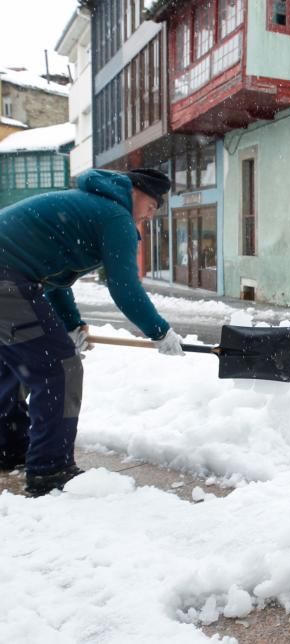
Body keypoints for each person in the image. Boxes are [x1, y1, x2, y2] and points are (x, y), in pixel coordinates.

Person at [0, 168, 185, 496]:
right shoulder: (115, 217)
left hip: (11, 275)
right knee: (59, 370)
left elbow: (55, 281)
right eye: (153, 205)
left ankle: (9, 446)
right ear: (135, 191)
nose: (151, 214)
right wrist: (159, 331)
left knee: (16, 363)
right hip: (7, 279)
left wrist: (70, 324)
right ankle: (50, 469)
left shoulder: (87, 206)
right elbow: (124, 285)